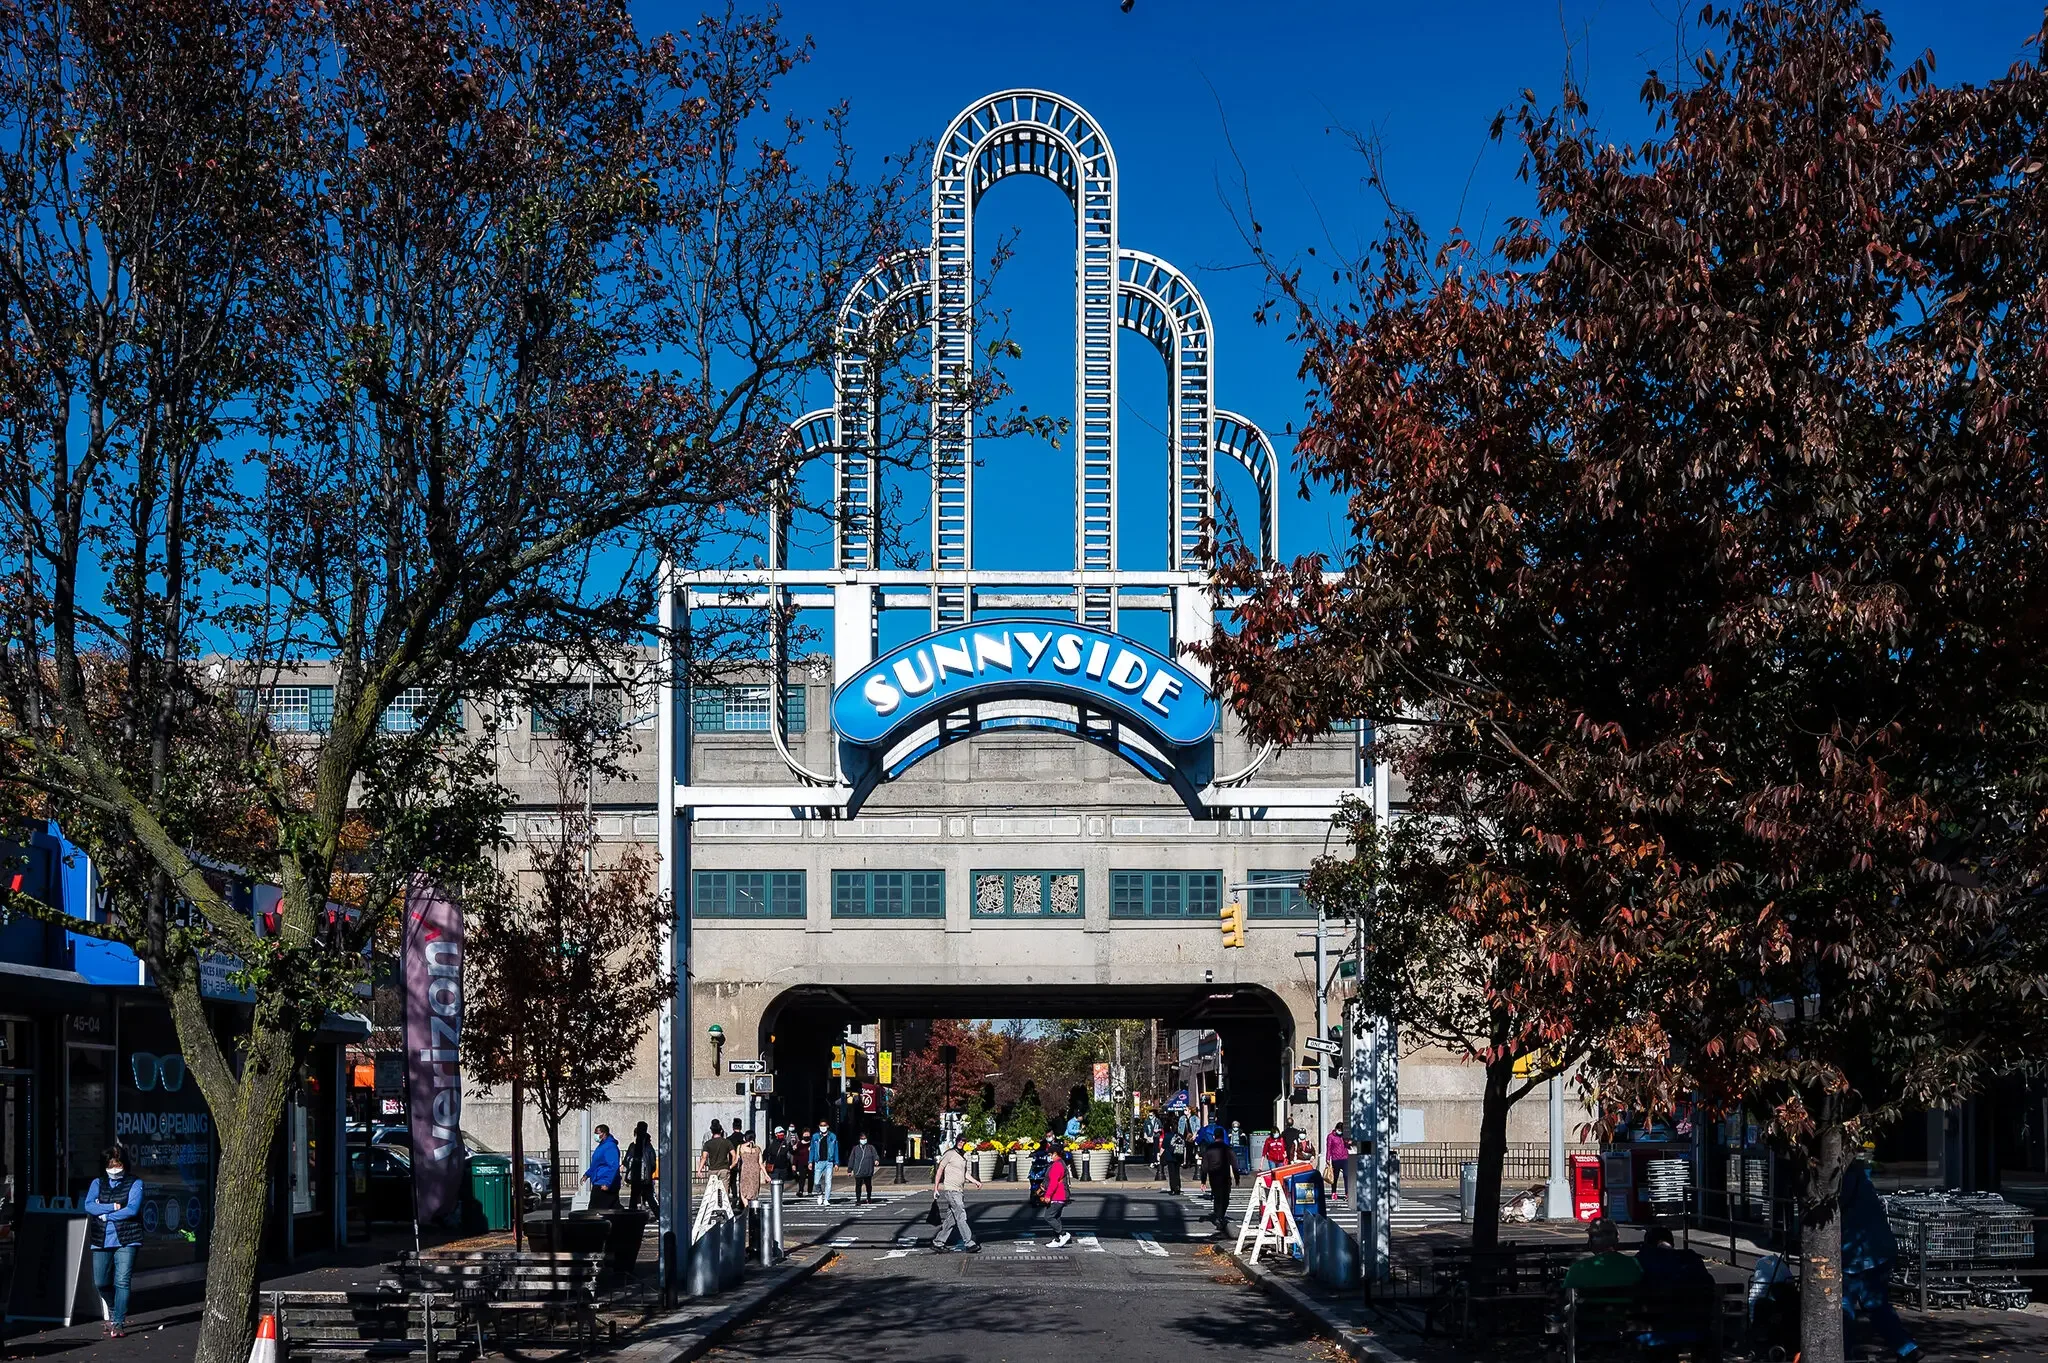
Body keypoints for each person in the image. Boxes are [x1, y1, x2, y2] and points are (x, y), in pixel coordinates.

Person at [1841, 1160, 1920, 1359]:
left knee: (1843, 1304)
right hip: (1880, 1249)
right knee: (1875, 1303)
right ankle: (1907, 1348)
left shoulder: (1844, 1183)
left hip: (1857, 1254)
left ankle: (1843, 1351)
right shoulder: (1863, 1181)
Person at [82, 1144, 142, 1337]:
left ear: (124, 1164)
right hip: (101, 1238)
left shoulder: (135, 1183)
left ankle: (118, 1323)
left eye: (118, 1165)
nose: (114, 1169)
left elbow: (132, 1210)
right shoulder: (97, 1184)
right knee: (101, 1282)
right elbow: (89, 1206)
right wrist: (114, 1206)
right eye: (111, 1165)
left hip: (127, 1238)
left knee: (122, 1281)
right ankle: (114, 1309)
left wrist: (107, 1215)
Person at [930, 1135, 983, 1252]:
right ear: (956, 1141)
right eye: (960, 1140)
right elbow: (940, 1170)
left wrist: (976, 1182)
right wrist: (936, 1188)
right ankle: (969, 1243)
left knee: (951, 1220)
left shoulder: (962, 1156)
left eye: (964, 1141)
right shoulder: (950, 1153)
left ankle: (938, 1242)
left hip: (959, 1191)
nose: (961, 1143)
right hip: (951, 1190)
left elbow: (965, 1173)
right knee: (961, 1215)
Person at [1562, 1217, 1644, 1292]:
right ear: (1616, 1238)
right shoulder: (1632, 1264)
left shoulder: (1578, 1268)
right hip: (1626, 1307)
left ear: (1591, 1240)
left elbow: (1568, 1296)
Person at [1198, 1120, 1235, 1239]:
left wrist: (1203, 1180)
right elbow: (1234, 1162)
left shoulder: (1209, 1148)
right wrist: (1237, 1175)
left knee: (1218, 1197)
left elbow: (1204, 1167)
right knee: (1224, 1197)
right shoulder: (1226, 1147)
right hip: (1223, 1175)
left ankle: (1219, 1216)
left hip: (1215, 1176)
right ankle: (1220, 1216)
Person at [1041, 1137, 1073, 1247]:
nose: (1049, 1157)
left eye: (1050, 1155)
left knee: (1049, 1217)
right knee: (1056, 1217)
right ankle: (1057, 1238)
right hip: (1060, 1196)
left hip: (1058, 1196)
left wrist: (1048, 1195)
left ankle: (1063, 1234)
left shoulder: (1057, 1165)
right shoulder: (1060, 1163)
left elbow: (1053, 1182)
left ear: (1055, 1154)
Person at [584, 1123, 621, 1210]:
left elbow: (613, 1166)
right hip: (600, 1181)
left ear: (604, 1134)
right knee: (612, 1209)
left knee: (596, 1210)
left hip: (603, 1183)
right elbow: (596, 1164)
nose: (595, 1135)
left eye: (597, 1133)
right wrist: (587, 1174)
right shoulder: (602, 1146)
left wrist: (608, 1183)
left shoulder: (610, 1147)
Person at [698, 1119, 734, 1204]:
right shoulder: (726, 1142)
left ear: (711, 1131)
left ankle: (714, 1206)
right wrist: (731, 1165)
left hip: (712, 1169)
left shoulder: (708, 1143)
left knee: (712, 1190)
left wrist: (700, 1169)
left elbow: (704, 1157)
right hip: (724, 1169)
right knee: (724, 1191)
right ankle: (724, 1208)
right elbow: (734, 1154)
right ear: (721, 1130)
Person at [625, 1121, 657, 1212]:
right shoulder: (648, 1146)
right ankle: (656, 1214)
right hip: (645, 1178)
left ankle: (632, 1216)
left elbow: (627, 1160)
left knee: (634, 1198)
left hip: (637, 1177)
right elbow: (652, 1163)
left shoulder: (633, 1146)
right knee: (649, 1199)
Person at [810, 1120, 839, 1206]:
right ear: (819, 1126)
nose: (823, 1127)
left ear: (828, 1126)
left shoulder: (833, 1136)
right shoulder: (815, 1137)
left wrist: (836, 1162)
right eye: (821, 1125)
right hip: (818, 1162)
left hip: (829, 1162)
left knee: (828, 1181)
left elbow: (836, 1149)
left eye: (824, 1125)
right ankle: (819, 1194)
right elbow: (812, 1149)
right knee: (816, 1181)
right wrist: (810, 1161)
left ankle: (827, 1199)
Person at [848, 1131, 880, 1205]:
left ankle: (869, 1198)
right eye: (862, 1138)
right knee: (858, 1186)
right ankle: (858, 1200)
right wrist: (850, 1169)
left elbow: (875, 1155)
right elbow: (851, 1159)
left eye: (864, 1138)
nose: (863, 1140)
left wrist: (876, 1160)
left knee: (868, 1186)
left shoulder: (871, 1148)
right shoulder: (855, 1148)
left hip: (868, 1171)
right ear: (859, 1139)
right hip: (858, 1171)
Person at [1325, 1126, 1350, 1199]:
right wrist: (1327, 1158)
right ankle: (1333, 1192)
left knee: (1346, 1175)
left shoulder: (1344, 1136)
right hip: (1335, 1159)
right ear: (1336, 1129)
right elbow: (1328, 1148)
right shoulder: (1331, 1136)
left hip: (1345, 1158)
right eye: (1339, 1130)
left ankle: (1347, 1193)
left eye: (1341, 1130)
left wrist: (1349, 1143)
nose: (1340, 1131)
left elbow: (1348, 1146)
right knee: (1335, 1177)